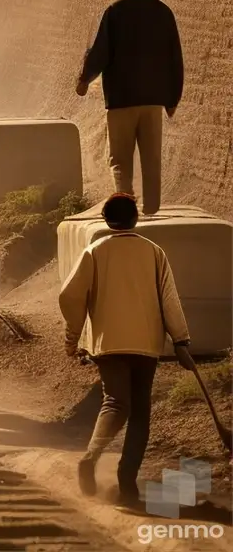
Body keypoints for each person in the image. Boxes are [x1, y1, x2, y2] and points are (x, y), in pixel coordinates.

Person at [59, 192, 190, 506]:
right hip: (146, 344)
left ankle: (90, 457)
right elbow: (169, 299)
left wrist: (72, 337)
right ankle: (127, 481)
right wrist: (181, 339)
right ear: (135, 218)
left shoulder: (95, 251)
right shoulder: (153, 252)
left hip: (108, 343)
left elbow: (70, 296)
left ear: (105, 219)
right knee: (140, 412)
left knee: (116, 402)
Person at [76, 0, 183, 217]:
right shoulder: (164, 14)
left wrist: (83, 79)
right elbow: (175, 60)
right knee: (151, 158)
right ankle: (152, 208)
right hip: (153, 102)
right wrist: (172, 99)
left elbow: (100, 52)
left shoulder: (115, 11)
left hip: (121, 99)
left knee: (120, 160)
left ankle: (126, 208)